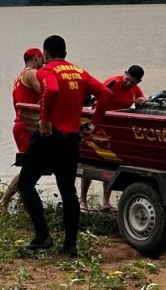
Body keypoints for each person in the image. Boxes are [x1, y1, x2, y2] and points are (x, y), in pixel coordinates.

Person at [18, 35, 112, 256]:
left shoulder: (46, 71)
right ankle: (70, 245)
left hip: (48, 136)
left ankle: (43, 236)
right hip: (71, 140)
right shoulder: (80, 72)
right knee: (68, 190)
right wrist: (93, 124)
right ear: (66, 54)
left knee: (26, 184)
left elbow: (51, 90)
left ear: (46, 54)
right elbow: (106, 94)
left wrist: (45, 118)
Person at [80, 65, 147, 212]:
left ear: (138, 82)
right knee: (90, 162)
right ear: (125, 73)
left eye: (133, 82)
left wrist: (142, 100)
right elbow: (97, 100)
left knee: (110, 163)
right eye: (128, 80)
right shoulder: (113, 83)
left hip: (115, 130)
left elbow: (141, 98)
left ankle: (105, 201)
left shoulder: (134, 89)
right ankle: (83, 201)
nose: (129, 84)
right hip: (100, 125)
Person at [0, 47, 44, 210]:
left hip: (22, 125)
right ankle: (3, 202)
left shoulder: (19, 77)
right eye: (42, 58)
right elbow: (45, 93)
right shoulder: (31, 73)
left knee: (33, 168)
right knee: (29, 169)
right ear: (36, 57)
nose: (43, 61)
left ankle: (21, 201)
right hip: (27, 127)